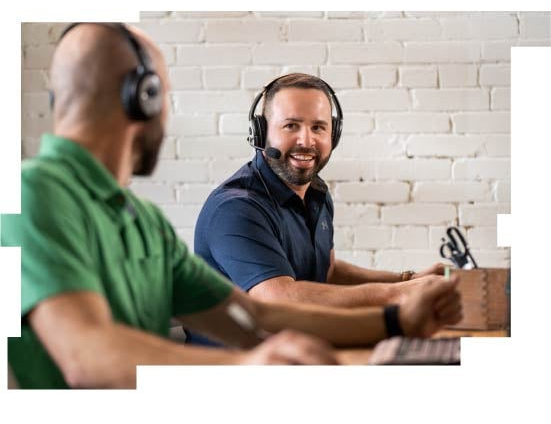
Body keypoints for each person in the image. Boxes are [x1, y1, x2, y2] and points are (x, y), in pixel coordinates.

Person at [2, 24, 461, 388]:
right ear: (144, 98)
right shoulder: (31, 195)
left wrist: (395, 319)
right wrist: (246, 368)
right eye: (166, 93)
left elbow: (250, 317)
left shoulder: (142, 222)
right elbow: (89, 356)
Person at [194, 73, 448, 344]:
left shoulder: (316, 193)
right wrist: (401, 293)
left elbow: (326, 271)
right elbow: (281, 299)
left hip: (298, 353)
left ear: (333, 135)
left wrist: (406, 279)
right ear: (261, 131)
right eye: (291, 125)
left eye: (318, 127)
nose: (306, 141)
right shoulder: (236, 208)